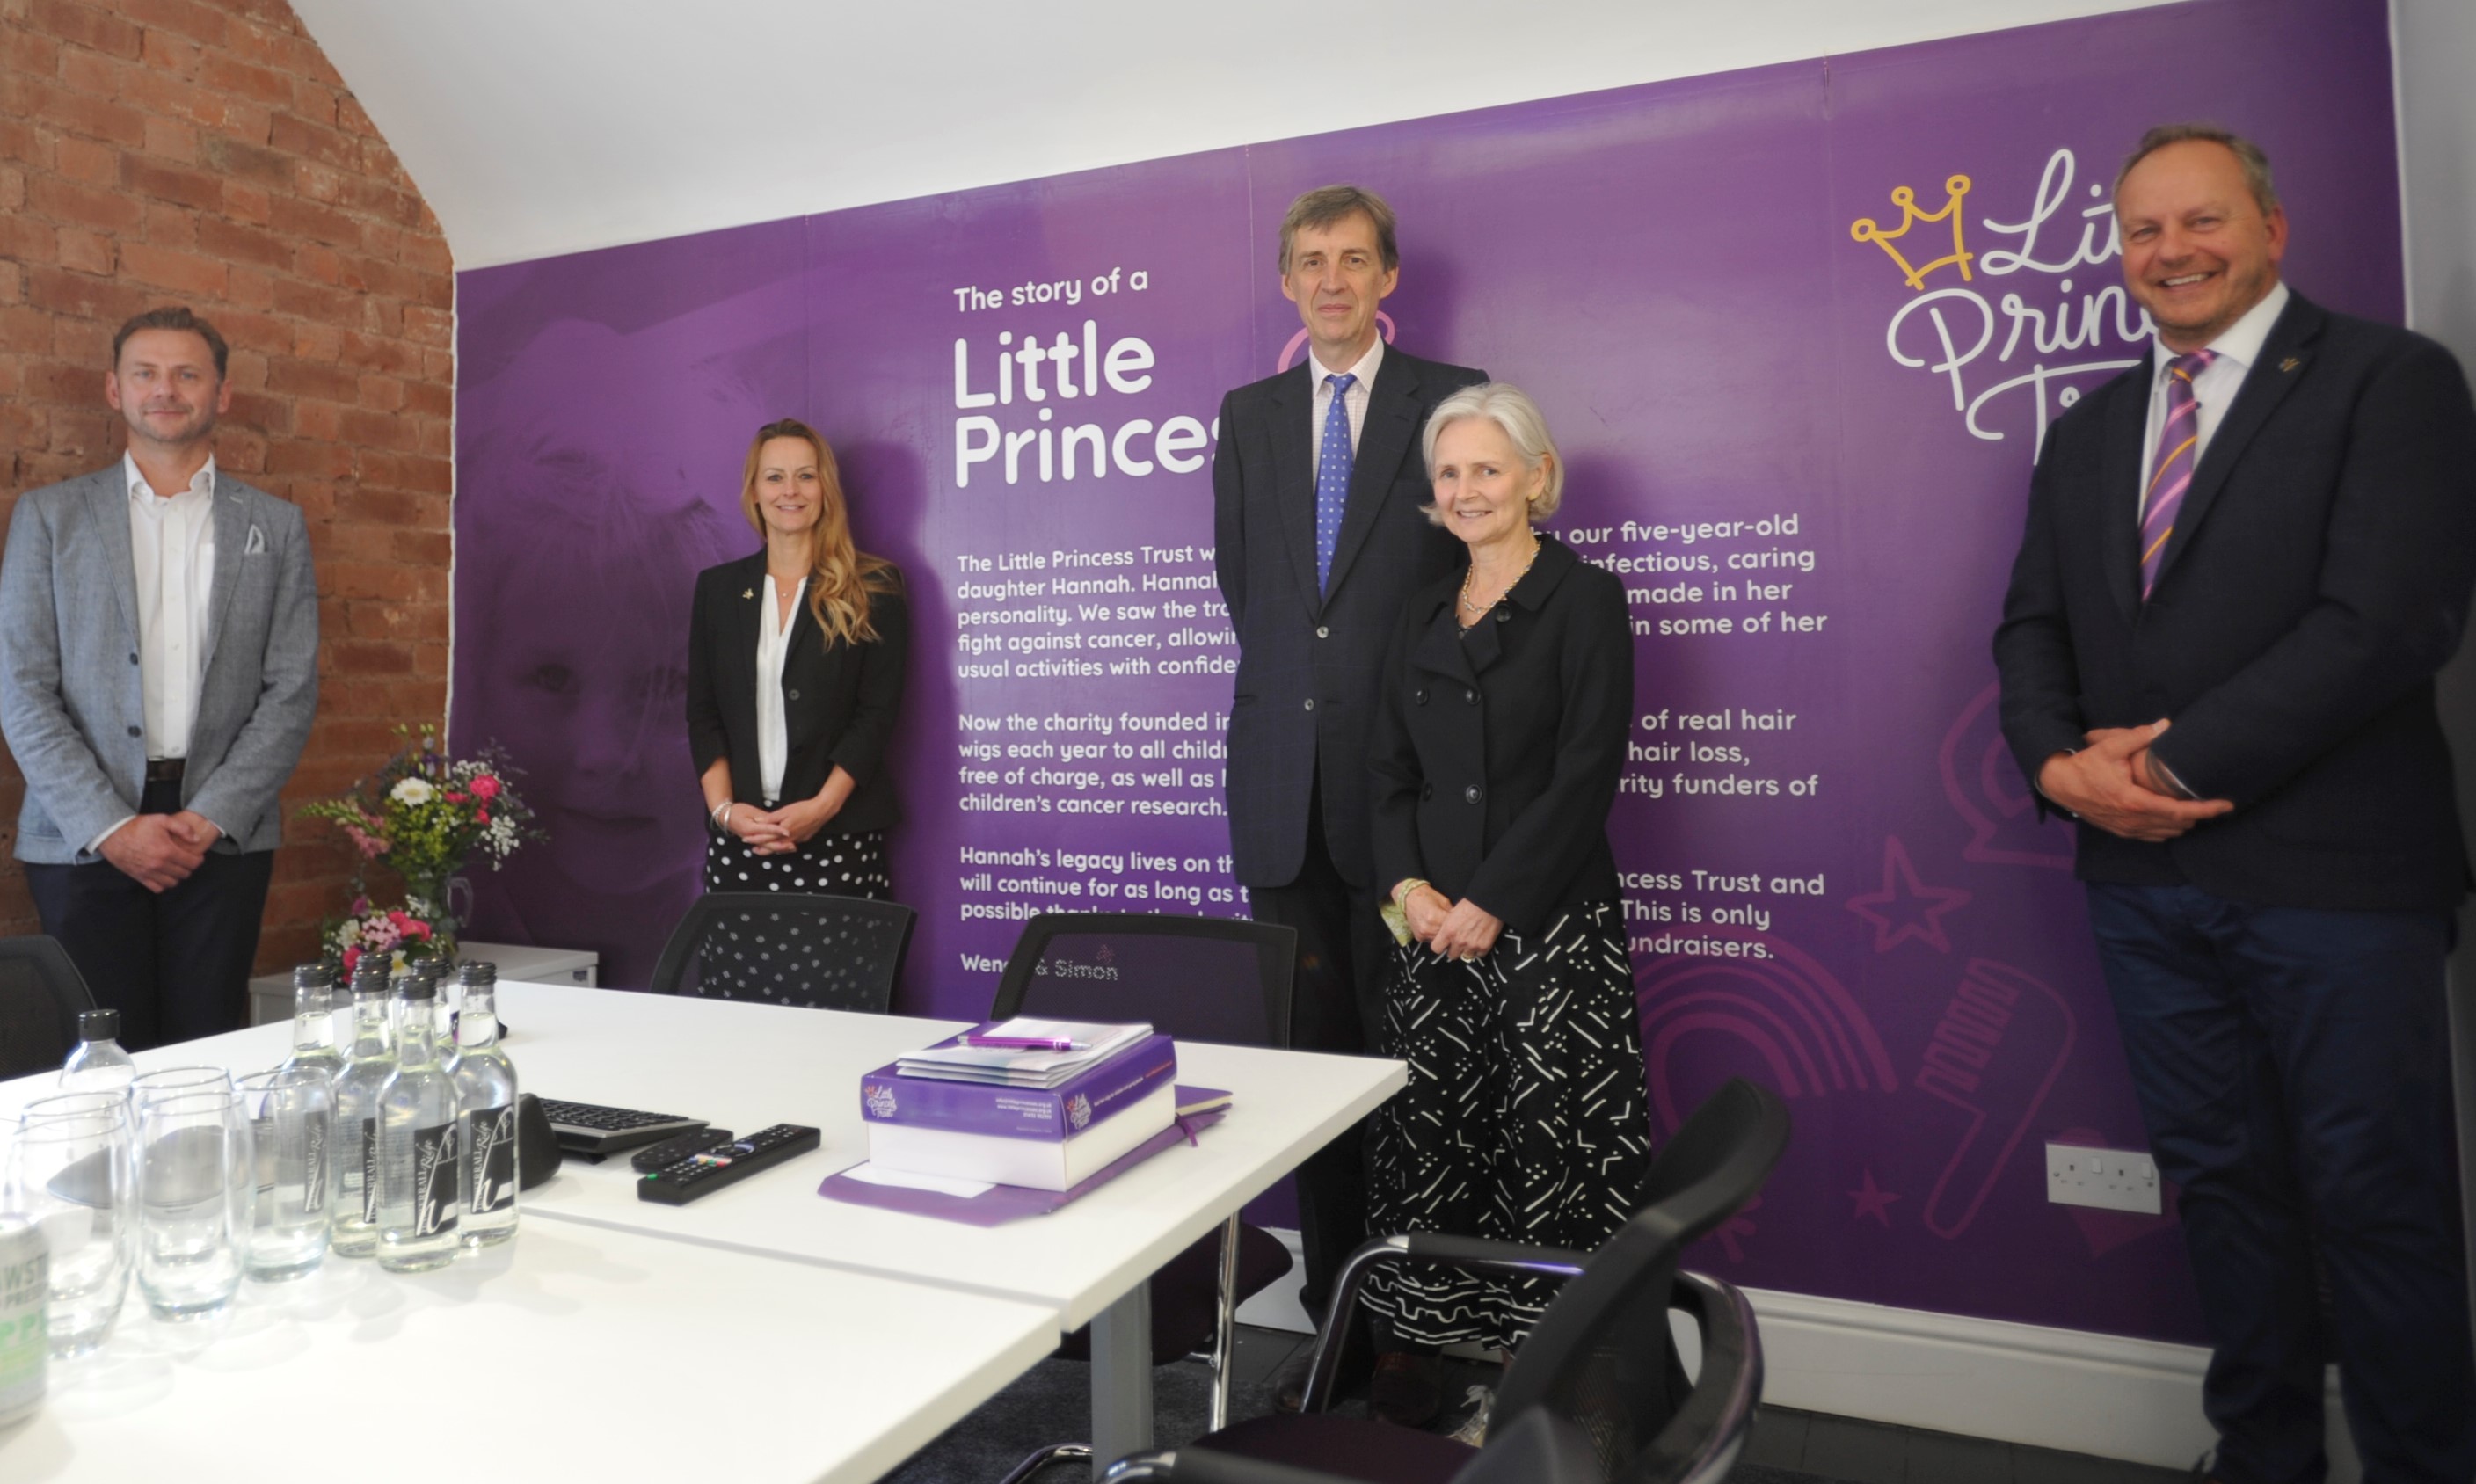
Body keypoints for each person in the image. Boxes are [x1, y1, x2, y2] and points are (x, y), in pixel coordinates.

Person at [1993, 124, 2476, 1484]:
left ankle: (2422, 1461)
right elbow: (2031, 629)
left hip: (2342, 888)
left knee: (2377, 1201)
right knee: (2222, 1190)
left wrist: (2160, 771)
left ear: (2272, 228)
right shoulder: (2090, 429)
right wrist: (2055, 769)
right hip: (2147, 895)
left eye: (2201, 222)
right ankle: (2261, 1452)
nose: (2171, 252)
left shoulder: (2390, 381)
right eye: (2143, 231)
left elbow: (2388, 622)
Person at [1212, 185, 1487, 1385]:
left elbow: (1462, 589)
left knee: (1416, 1072)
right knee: (1315, 1078)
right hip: (1282, 798)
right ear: (1287, 281)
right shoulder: (1253, 414)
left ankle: (1421, 1331)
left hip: (1408, 803)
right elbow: (1252, 595)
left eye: (1355, 260)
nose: (1332, 279)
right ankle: (1339, 1328)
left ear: (1387, 280)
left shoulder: (1447, 400)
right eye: (1311, 261)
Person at [1362, 382, 1651, 1425]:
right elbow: (1386, 776)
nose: (1466, 488)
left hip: (1546, 935)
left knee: (1551, 1152)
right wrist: (1409, 893)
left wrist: (1490, 901)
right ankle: (1426, 1364)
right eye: (1449, 472)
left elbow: (1585, 775)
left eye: (1488, 468)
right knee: (1431, 1151)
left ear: (1537, 477)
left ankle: (1560, 1380)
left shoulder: (1585, 599)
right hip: (1429, 938)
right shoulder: (1419, 610)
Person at [0, 306, 319, 1049]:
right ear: (115, 391)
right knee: (95, 1057)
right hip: (81, 830)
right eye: (145, 373)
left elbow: (291, 689)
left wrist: (211, 816)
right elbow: (22, 686)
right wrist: (111, 828)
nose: (165, 390)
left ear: (222, 393)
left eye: (186, 374)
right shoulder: (49, 518)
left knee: (209, 1047)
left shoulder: (276, 526)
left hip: (221, 831)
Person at [686, 419, 908, 994]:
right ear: (754, 491)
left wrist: (822, 808)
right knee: (738, 1014)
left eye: (806, 476)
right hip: (742, 846)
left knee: (836, 1010)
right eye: (776, 476)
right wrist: (726, 813)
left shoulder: (875, 587)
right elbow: (702, 712)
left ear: (825, 488)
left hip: (838, 843)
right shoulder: (717, 590)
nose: (792, 490)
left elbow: (877, 715)